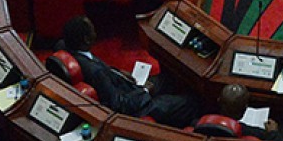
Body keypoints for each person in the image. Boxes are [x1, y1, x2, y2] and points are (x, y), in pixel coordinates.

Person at [57, 17, 201, 126]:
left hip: (126, 86)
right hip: (137, 107)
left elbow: (103, 71)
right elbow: (119, 105)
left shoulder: (67, 47)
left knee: (167, 78)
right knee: (189, 101)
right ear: (86, 39)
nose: (96, 33)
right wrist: (145, 91)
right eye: (92, 31)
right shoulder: (95, 72)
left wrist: (118, 72)